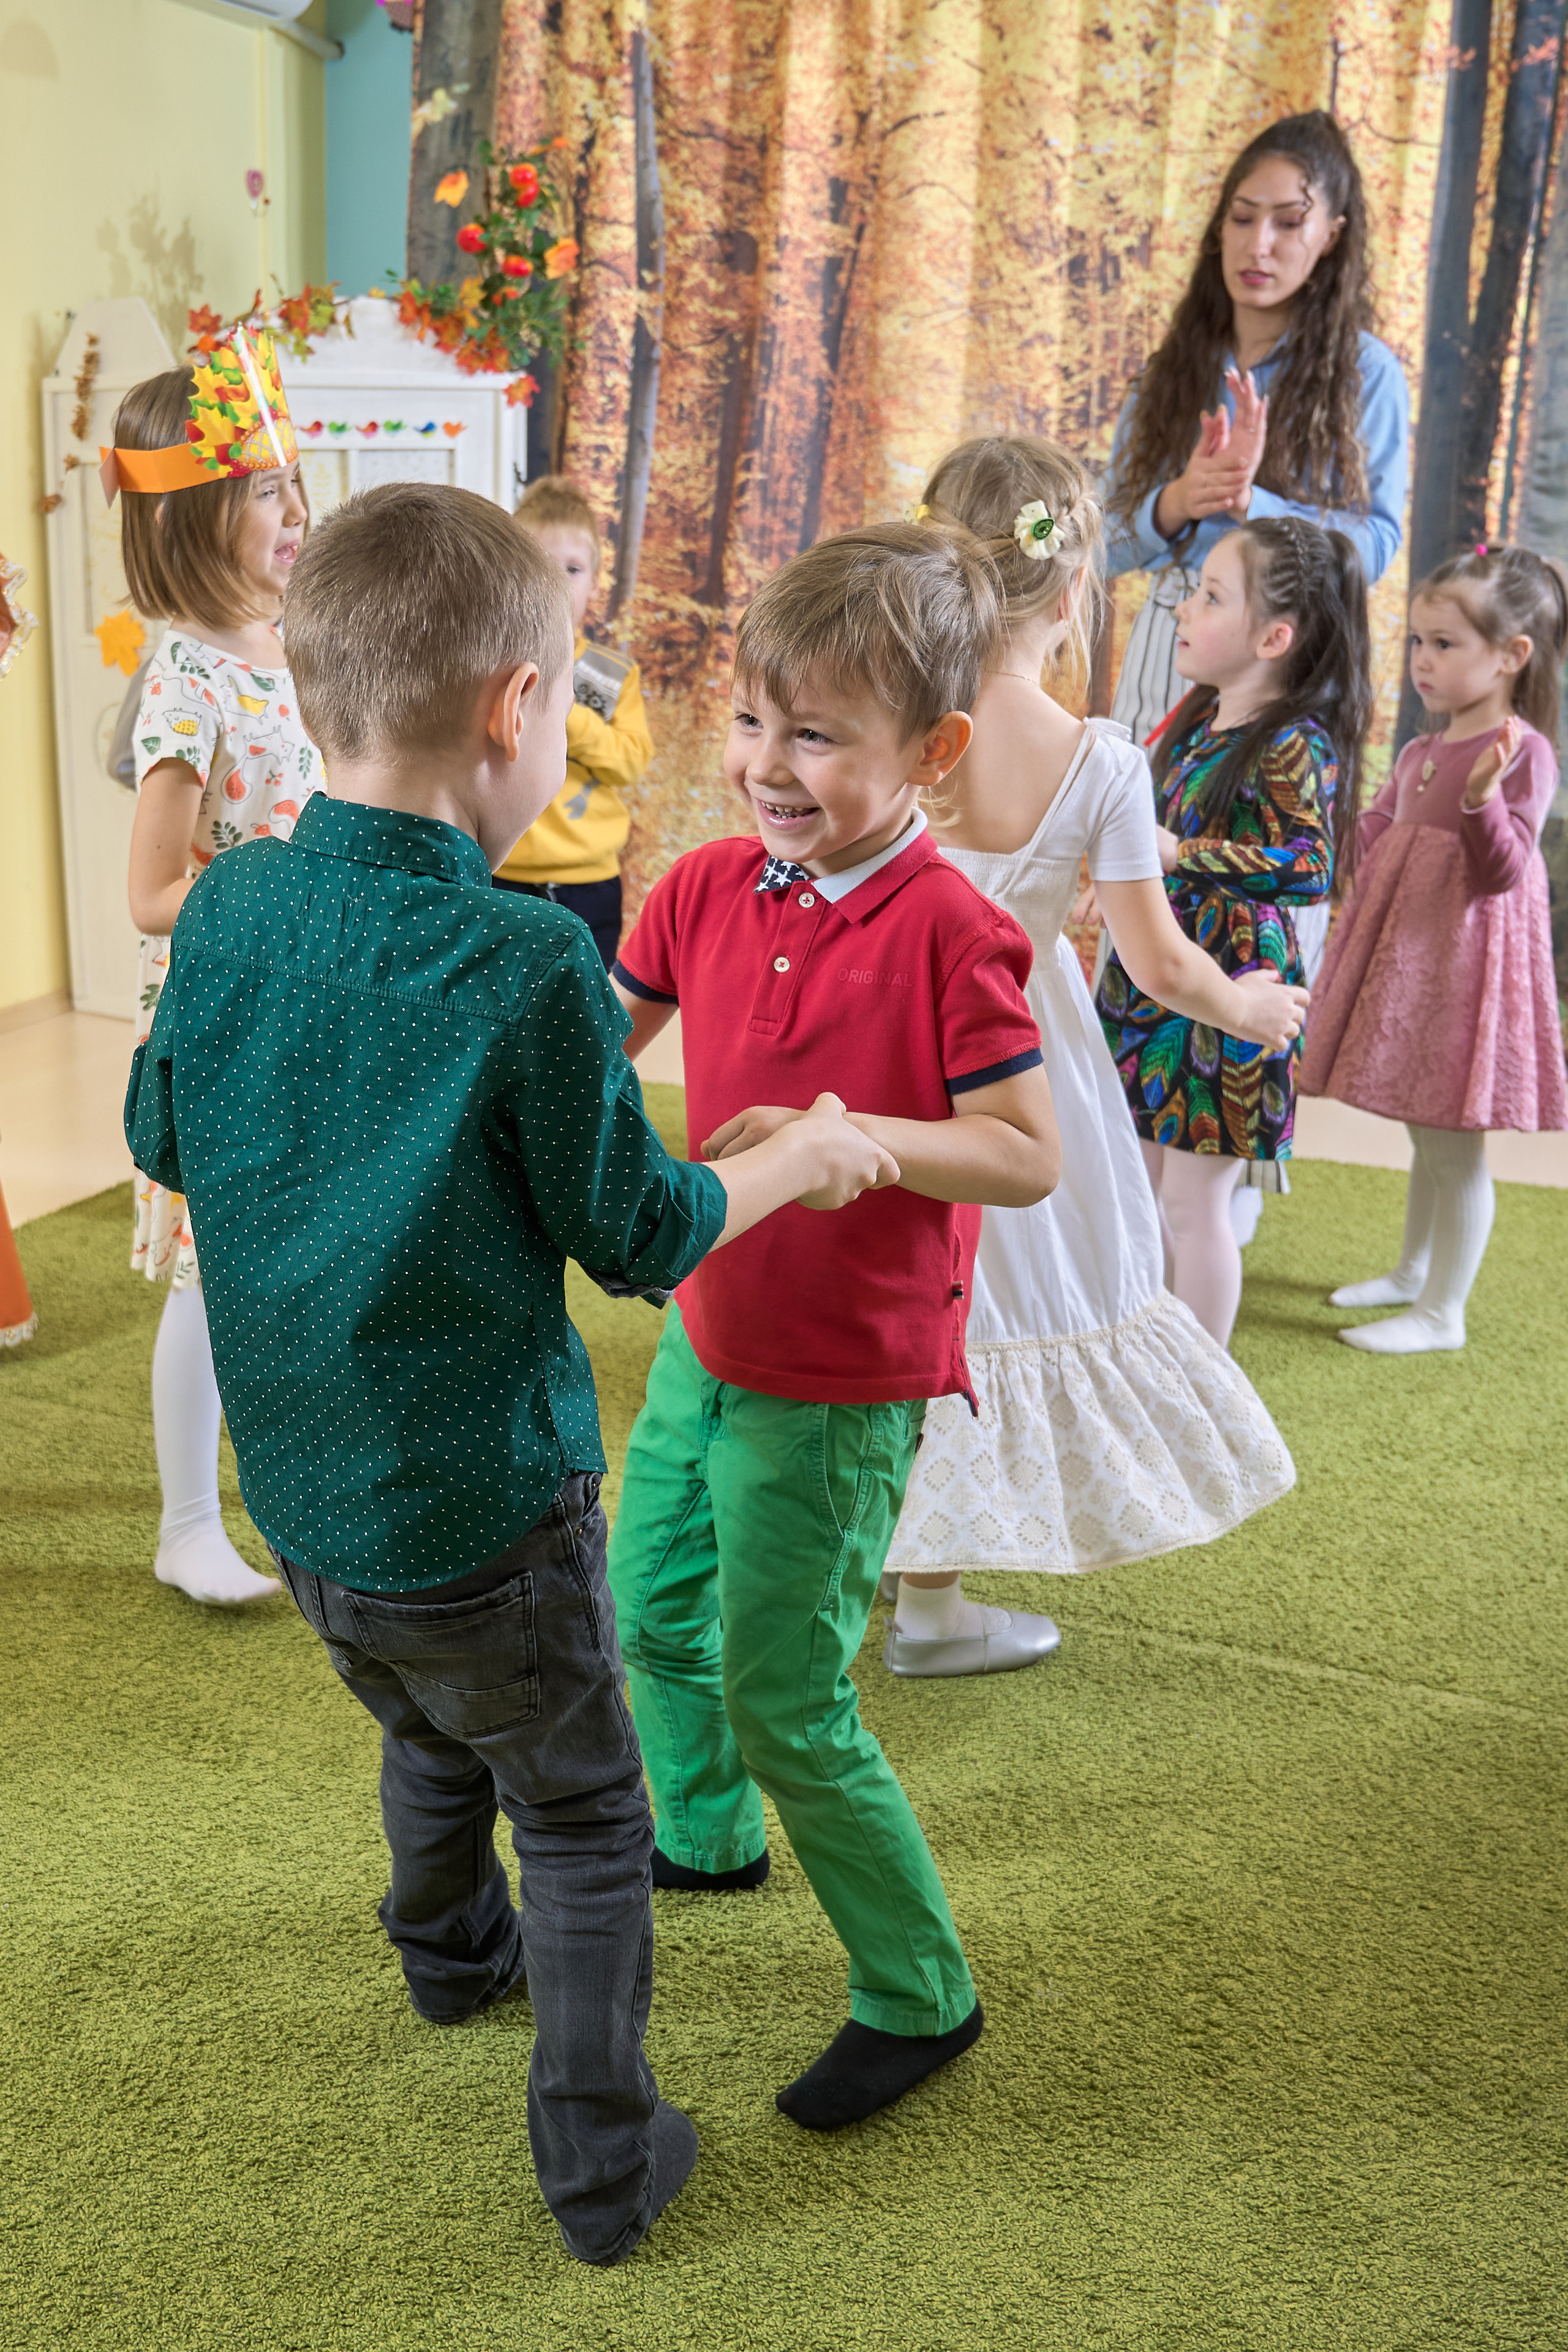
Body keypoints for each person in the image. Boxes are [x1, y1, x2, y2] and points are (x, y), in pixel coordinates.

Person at [124, 480, 895, 2264]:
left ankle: (446, 1956)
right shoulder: (528, 960)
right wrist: (794, 1154)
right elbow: (642, 1230)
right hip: (489, 1503)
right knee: (582, 1803)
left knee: (421, 1718)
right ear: (513, 708)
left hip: (306, 1503)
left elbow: (157, 1125)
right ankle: (602, 2158)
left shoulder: (229, 907)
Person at [606, 524, 1060, 2130]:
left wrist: (861, 1133)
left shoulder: (954, 929)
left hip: (842, 1382)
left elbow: (1025, 1154)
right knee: (651, 1618)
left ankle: (921, 1993)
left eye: (815, 734)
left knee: (788, 1691)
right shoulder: (708, 883)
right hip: (706, 1335)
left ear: (932, 752)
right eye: (751, 721)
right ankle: (708, 1839)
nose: (766, 766)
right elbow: (611, 1029)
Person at [881, 438, 1301, 1675]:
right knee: (996, 1303)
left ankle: (855, 1561)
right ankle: (931, 1606)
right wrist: (1249, 1012)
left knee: (895, 1298)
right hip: (1017, 1062)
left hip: (887, 1043)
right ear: (1073, 592)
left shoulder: (897, 729)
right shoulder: (1101, 761)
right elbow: (1161, 963)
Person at [1102, 107, 1408, 1231]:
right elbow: (1091, 534)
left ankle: (1217, 1190)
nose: (1261, 244)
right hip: (1173, 656)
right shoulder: (1179, 360)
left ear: (1332, 236)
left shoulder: (1366, 374)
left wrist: (1257, 507)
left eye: (1290, 221)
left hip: (1278, 671)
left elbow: (1375, 546)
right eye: (1243, 217)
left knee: (1243, 912)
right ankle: (1150, 1172)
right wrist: (1177, 503)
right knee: (1151, 888)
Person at [105, 328, 324, 1606]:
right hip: (231, 1018)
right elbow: (148, 891)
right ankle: (188, 1522)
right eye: (260, 490)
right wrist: (286, 902)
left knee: (287, 1256)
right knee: (215, 1269)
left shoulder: (294, 644)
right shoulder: (186, 678)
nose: (294, 508)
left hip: (307, 1002)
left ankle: (289, 1492)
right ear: (190, 514)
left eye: (291, 479)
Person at [1096, 516, 1373, 1348]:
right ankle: (1141, 1356)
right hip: (1158, 973)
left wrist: (1181, 854)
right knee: (1136, 1186)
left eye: (1211, 597)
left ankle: (1201, 1379)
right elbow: (1146, 831)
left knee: (1194, 1202)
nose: (1182, 610)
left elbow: (1307, 865)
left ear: (1274, 637)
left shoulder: (1295, 741)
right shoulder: (1194, 721)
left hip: (1235, 995)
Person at [1302, 545, 1568, 1351]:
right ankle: (1415, 1273)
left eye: (1445, 644)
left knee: (1454, 1140)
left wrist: (1485, 802)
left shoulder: (1524, 753)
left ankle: (1443, 1312)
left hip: (1465, 972)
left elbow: (1502, 873)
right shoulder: (1421, 752)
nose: (1422, 660)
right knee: (1429, 1133)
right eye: (1418, 641)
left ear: (1513, 656)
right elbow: (1378, 839)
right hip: (1410, 964)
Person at [493, 475, 654, 967]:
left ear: (595, 582)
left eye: (573, 568)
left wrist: (571, 720)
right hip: (501, 873)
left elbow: (630, 763)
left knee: (579, 1020)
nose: (558, 582)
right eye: (541, 565)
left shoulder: (611, 675)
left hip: (589, 882)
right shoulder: (492, 666)